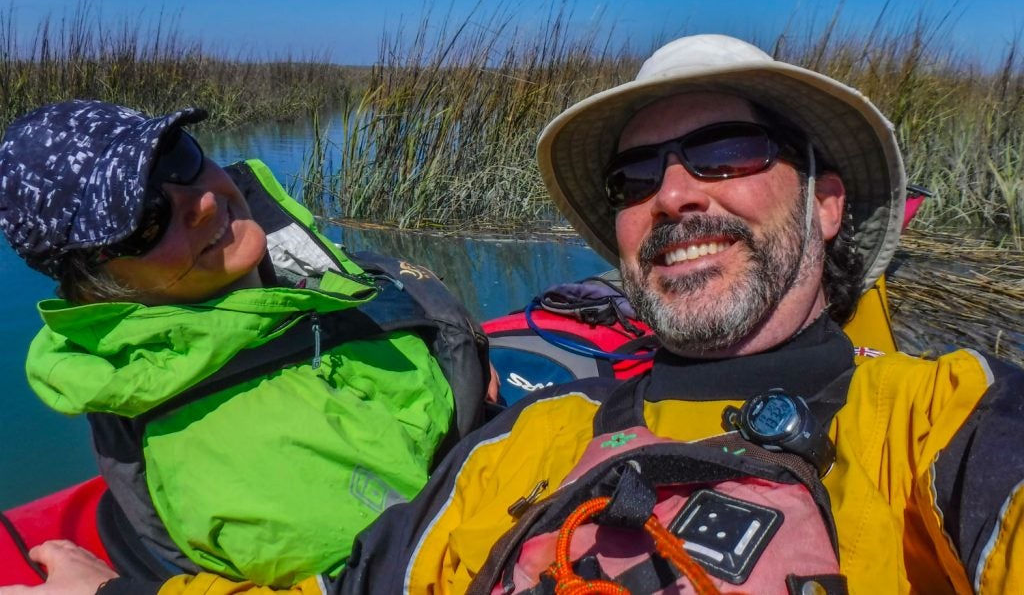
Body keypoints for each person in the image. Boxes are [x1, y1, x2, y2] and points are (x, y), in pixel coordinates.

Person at [14, 33, 1024, 594]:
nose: (674, 194)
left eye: (724, 155)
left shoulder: (937, 418)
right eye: (637, 175)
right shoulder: (525, 450)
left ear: (827, 199)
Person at [0, 101, 488, 593]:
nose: (205, 202)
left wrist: (461, 374)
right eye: (147, 219)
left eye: (178, 159)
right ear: (93, 286)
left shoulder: (293, 279)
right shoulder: (235, 448)